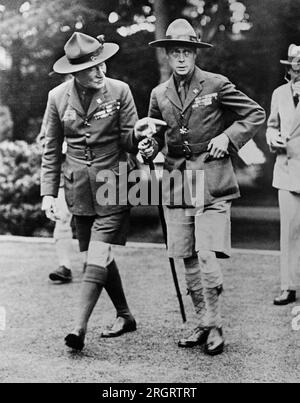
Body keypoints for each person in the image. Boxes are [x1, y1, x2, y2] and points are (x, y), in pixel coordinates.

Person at [135, 19, 266, 355]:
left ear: (195, 53)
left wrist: (227, 137)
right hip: (178, 181)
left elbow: (254, 114)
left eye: (186, 51)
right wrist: (149, 148)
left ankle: (214, 325)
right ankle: (203, 321)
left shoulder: (216, 84)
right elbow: (156, 137)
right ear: (166, 55)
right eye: (174, 52)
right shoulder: (158, 94)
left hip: (212, 179)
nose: (180, 58)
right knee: (188, 256)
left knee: (207, 254)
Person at [41, 32, 140, 350]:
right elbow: (51, 149)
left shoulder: (120, 91)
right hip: (78, 190)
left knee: (96, 255)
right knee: (97, 255)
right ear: (74, 73)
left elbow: (130, 140)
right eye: (93, 67)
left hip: (114, 184)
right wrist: (48, 193)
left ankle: (78, 329)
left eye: (102, 63)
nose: (101, 71)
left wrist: (143, 139)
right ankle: (125, 315)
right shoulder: (57, 97)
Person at [266, 44, 300, 305]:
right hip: (286, 170)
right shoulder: (279, 93)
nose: (296, 67)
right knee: (288, 231)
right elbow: (271, 125)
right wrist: (272, 138)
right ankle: (288, 286)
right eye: (293, 63)